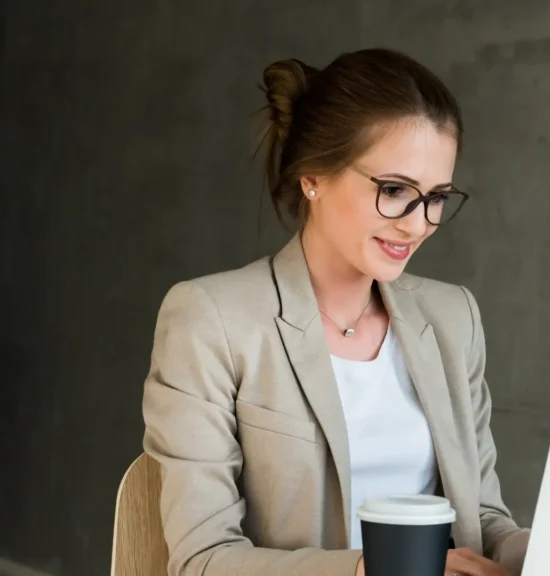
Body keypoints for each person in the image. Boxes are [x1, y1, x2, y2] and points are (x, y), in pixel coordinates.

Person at [141, 48, 529, 576]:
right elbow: (203, 559)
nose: (417, 225)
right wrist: (369, 570)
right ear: (313, 177)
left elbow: (481, 520)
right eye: (394, 191)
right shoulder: (211, 320)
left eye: (436, 197)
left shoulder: (452, 317)